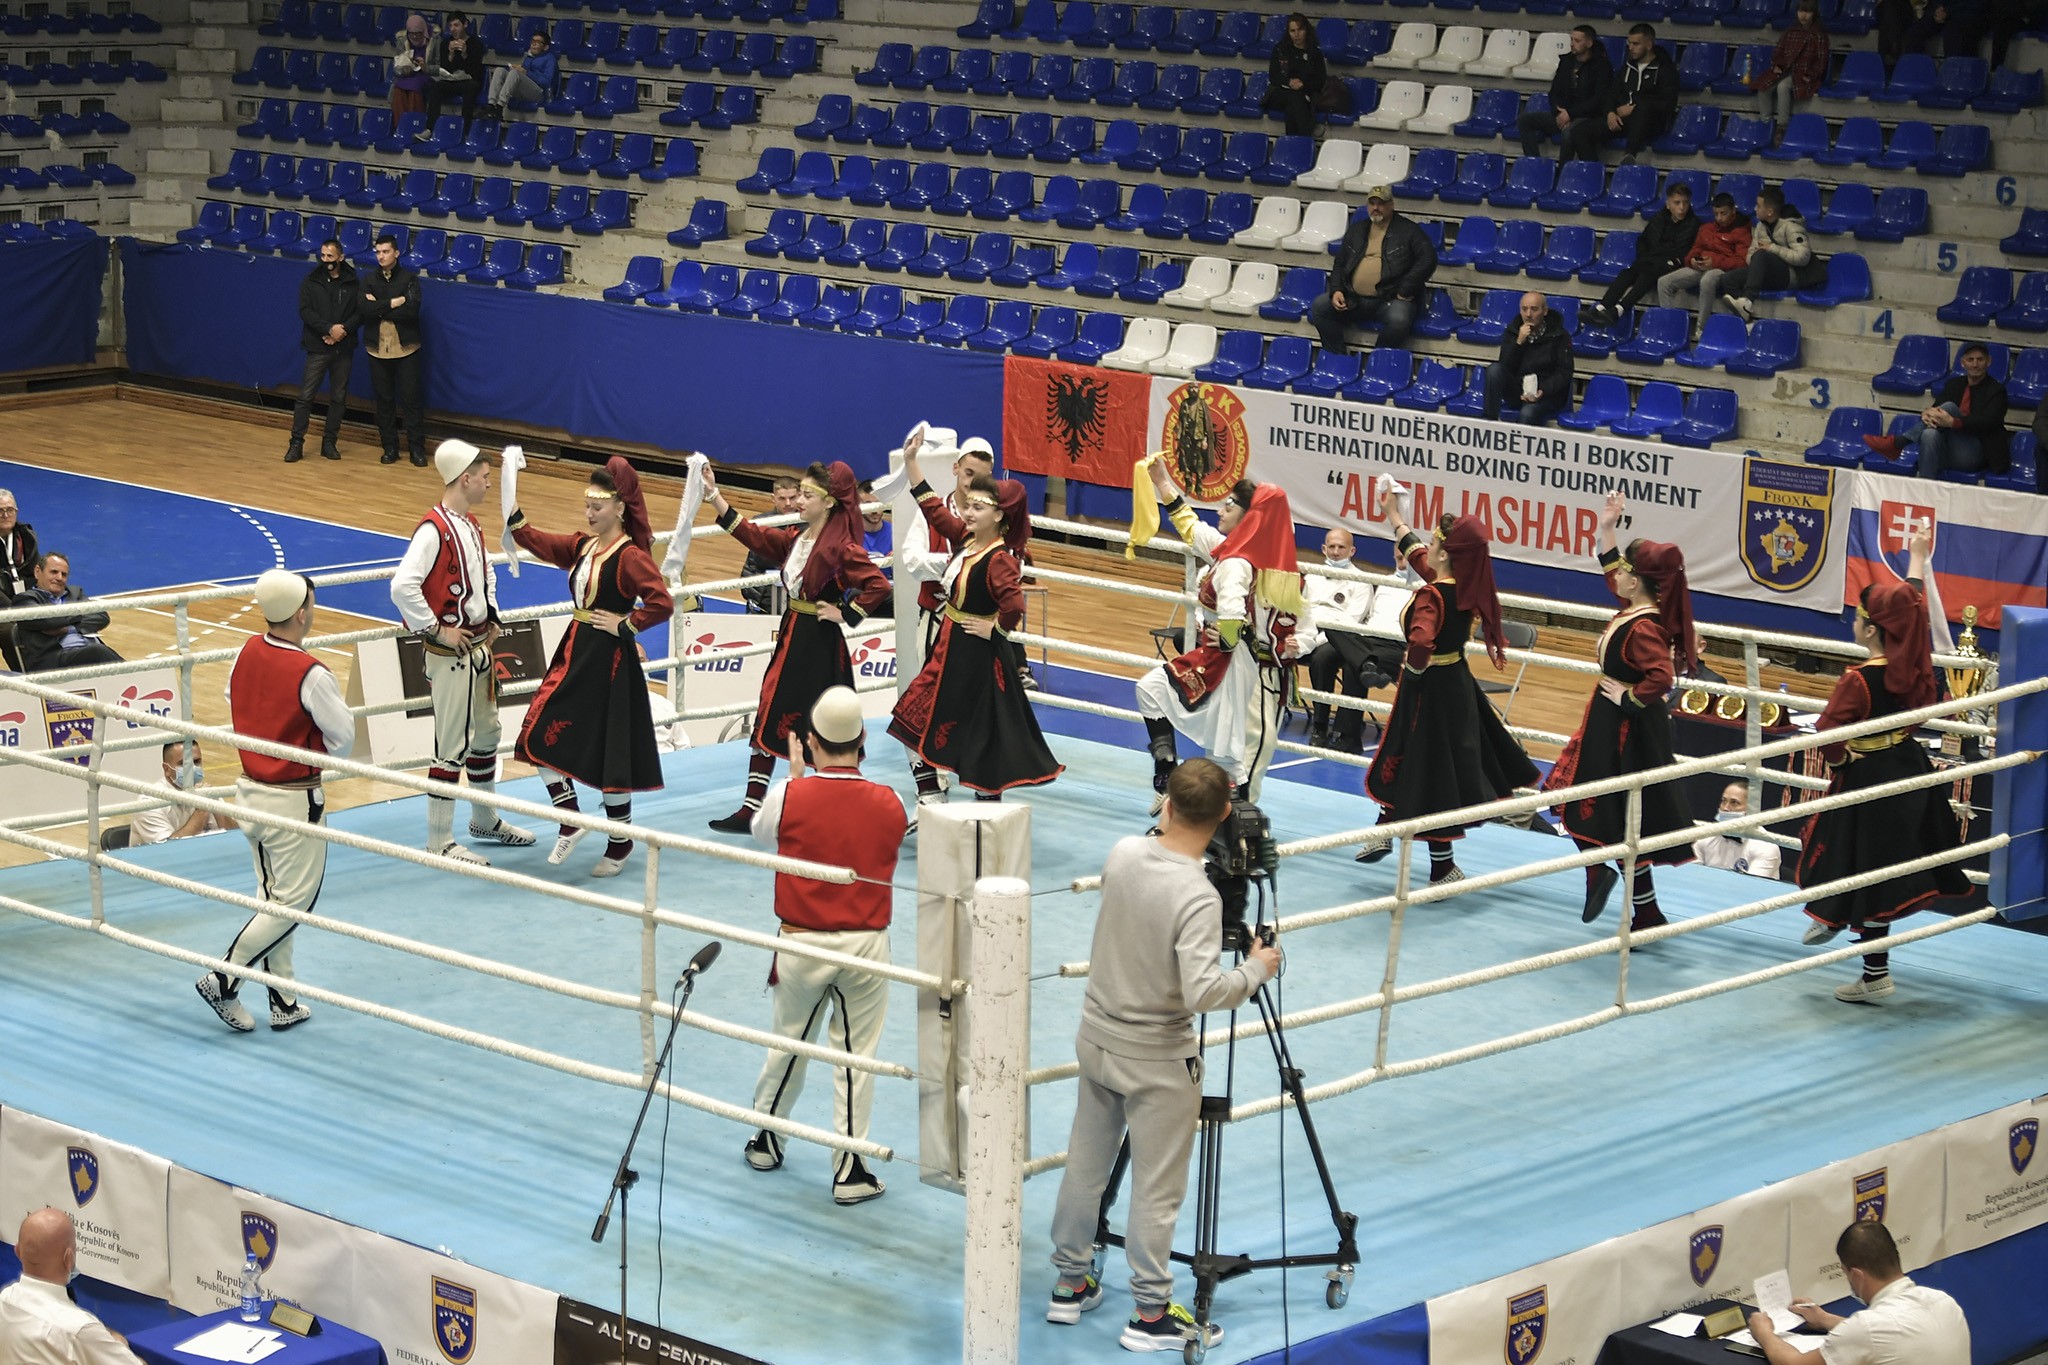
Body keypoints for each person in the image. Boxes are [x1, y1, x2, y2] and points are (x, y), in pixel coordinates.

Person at [1046, 759, 1281, 1354]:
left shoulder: (1124, 852)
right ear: (1227, 815)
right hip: (1157, 1058)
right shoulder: (1199, 896)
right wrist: (1257, 968)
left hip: (1098, 1037)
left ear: (1166, 804)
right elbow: (1206, 992)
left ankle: (1069, 1283)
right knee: (1157, 1187)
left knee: (1085, 1164)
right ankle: (1151, 1314)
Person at [742, 686, 908, 1206]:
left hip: (801, 940)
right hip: (865, 944)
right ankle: (850, 1166)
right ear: (862, 741)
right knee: (857, 1057)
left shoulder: (787, 796)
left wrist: (796, 782)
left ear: (810, 742)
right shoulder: (892, 801)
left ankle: (767, 1138)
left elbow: (763, 833)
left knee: (789, 1041)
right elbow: (890, 834)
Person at [1797, 526, 1970, 1003]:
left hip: (1870, 776)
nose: (1853, 622)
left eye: (1859, 617)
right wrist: (1917, 559)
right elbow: (1910, 610)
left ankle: (1863, 959)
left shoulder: (1859, 679)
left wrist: (1842, 755)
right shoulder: (1915, 669)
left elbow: (1828, 732)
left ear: (1871, 629)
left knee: (1855, 860)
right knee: (1883, 870)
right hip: (1909, 769)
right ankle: (1848, 939)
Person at [195, 569, 352, 1034]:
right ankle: (224, 977)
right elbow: (343, 739)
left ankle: (283, 998)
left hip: (250, 794)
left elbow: (232, 698)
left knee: (272, 897)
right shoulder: (311, 673)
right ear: (302, 613)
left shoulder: (246, 649)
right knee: (293, 905)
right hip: (292, 800)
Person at [1358, 489, 1538, 884]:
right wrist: (1394, 515)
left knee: (1422, 765)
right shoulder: (1462, 585)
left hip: (1429, 692)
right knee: (1423, 764)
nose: (1428, 545)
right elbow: (1421, 558)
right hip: (1455, 684)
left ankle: (1421, 853)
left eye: (1435, 542)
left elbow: (1421, 641)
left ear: (1444, 552)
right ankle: (1392, 835)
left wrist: (1414, 672)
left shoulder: (1432, 594)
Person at [702, 460, 891, 833]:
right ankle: (752, 808)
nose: (799, 501)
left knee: (821, 725)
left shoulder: (842, 548)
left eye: (807, 494)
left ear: (829, 502)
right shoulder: (798, 538)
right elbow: (756, 537)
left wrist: (845, 613)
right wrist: (714, 496)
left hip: (817, 646)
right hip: (794, 636)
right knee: (771, 713)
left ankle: (835, 810)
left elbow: (879, 586)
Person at [507, 459, 672, 877]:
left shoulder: (631, 556)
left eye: (596, 507)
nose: (588, 513)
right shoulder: (585, 547)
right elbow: (543, 543)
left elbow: (661, 602)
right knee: (535, 732)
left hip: (609, 661)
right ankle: (570, 817)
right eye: (586, 506)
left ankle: (620, 840)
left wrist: (627, 624)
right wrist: (515, 515)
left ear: (619, 508)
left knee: (610, 747)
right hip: (576, 653)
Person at [1545, 495, 1697, 928]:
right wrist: (1606, 526)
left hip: (1624, 730)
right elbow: (1612, 566)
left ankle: (1601, 874)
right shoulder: (1638, 607)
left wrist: (1628, 699)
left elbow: (1662, 678)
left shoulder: (1644, 625)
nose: (1618, 576)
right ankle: (1646, 911)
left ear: (1639, 581)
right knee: (1623, 816)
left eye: (1626, 572)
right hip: (1612, 723)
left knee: (1591, 805)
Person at [887, 441, 1061, 799]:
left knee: (982, 731)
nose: (968, 511)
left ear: (998, 516)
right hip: (949, 647)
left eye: (978, 507)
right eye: (968, 505)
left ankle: (984, 805)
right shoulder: (968, 540)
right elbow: (934, 508)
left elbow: (1014, 606)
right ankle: (930, 795)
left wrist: (993, 627)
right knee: (913, 716)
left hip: (973, 657)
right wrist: (910, 463)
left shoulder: (1000, 559)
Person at [390, 439, 535, 866]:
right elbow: (401, 587)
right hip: (451, 654)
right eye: (486, 478)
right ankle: (439, 841)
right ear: (465, 478)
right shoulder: (433, 530)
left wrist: (491, 615)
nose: (490, 485)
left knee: (487, 733)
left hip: (476, 648)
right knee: (450, 744)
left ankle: (484, 818)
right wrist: (436, 629)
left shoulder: (469, 525)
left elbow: (485, 571)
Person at [1135, 465, 1305, 809]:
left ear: (1250, 519)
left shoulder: (1246, 565)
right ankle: (1185, 795)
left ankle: (1237, 821)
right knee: (1227, 753)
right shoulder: (1227, 550)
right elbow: (1191, 527)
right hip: (1228, 660)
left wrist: (1229, 636)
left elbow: (1245, 618)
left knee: (1243, 751)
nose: (1220, 510)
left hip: (1251, 669)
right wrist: (1161, 482)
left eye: (1229, 506)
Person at [1745, 1221, 1969, 1365]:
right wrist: (1824, 1319)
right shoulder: (1945, 1302)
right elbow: (1892, 1333)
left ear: (1857, 1276)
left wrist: (1764, 1333)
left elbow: (1794, 1363)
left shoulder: (1867, 1328)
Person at [0, 1208, 144, 1365]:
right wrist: (116, 1346)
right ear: (69, 1258)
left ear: (18, 1251)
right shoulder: (80, 1330)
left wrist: (103, 1338)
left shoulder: (5, 1299)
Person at [1311, 185, 1437, 354]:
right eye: (1372, 203)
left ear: (1391, 205)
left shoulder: (1409, 231)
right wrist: (1337, 290)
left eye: (1381, 203)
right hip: (1354, 299)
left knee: (1400, 320)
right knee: (1320, 306)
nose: (1376, 208)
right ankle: (1338, 357)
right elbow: (1340, 262)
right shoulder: (1356, 230)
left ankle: (1377, 361)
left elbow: (1428, 258)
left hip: (1389, 299)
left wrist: (1406, 288)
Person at [1862, 342, 2011, 482]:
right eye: (1970, 359)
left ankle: (1899, 442)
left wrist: (1953, 422)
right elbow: (1936, 411)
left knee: (1950, 407)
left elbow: (1987, 423)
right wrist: (1926, 413)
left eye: (1980, 359)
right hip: (1947, 451)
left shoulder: (1997, 391)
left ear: (1988, 362)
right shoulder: (1954, 384)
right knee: (1929, 433)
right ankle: (1925, 490)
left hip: (1975, 454)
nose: (1975, 364)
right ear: (1962, 363)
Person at [1294, 528, 1382, 754]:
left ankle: (1320, 725)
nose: (1335, 552)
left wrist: (1314, 641)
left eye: (1341, 547)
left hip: (1340, 638)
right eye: (1331, 547)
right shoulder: (1311, 575)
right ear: (1323, 548)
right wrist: (1304, 637)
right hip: (1308, 631)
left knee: (1322, 658)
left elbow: (1349, 624)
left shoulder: (1362, 581)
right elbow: (1299, 610)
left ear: (1351, 550)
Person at [1585, 181, 1699, 327]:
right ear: (1668, 204)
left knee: (1647, 274)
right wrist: (1644, 255)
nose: (1682, 207)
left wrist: (1656, 255)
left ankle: (1619, 310)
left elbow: (1681, 251)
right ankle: (1601, 308)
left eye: (1685, 203)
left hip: (1670, 264)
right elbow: (1643, 240)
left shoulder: (1693, 224)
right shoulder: (1659, 219)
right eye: (1677, 203)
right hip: (1649, 259)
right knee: (1627, 273)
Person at [285, 239, 358, 465]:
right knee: (305, 396)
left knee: (338, 397)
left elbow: (360, 312)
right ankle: (296, 443)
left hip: (343, 348)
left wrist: (342, 331)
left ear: (341, 257)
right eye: (323, 256)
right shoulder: (311, 280)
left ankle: (329, 442)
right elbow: (305, 311)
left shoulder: (354, 281)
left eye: (330, 256)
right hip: (318, 346)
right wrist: (328, 329)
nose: (326, 260)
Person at [359, 233, 426, 469]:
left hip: (406, 349)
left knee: (411, 402)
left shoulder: (409, 279)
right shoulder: (368, 280)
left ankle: (417, 449)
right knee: (384, 402)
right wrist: (391, 303)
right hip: (377, 350)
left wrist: (378, 306)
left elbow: (411, 311)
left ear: (396, 253)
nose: (381, 256)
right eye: (377, 252)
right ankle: (390, 448)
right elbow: (363, 310)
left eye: (385, 251)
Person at [1717, 186, 1825, 323]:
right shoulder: (1761, 226)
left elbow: (1803, 257)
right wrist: (1756, 258)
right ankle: (1747, 319)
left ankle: (1747, 300)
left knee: (1762, 254)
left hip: (1794, 274)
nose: (1755, 209)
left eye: (1758, 206)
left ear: (1769, 211)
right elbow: (1750, 255)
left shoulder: (1791, 226)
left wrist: (1772, 249)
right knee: (1728, 279)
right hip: (1769, 272)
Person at [1657, 192, 1752, 333]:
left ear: (1733, 211)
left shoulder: (1742, 232)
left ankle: (1701, 329)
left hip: (1722, 269)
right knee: (1664, 282)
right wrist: (1693, 260)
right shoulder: (1706, 228)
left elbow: (1741, 262)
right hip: (1700, 266)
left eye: (1723, 213)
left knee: (1707, 280)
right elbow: (1693, 251)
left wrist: (1716, 262)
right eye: (1716, 214)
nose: (1719, 218)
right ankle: (1668, 328)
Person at [14, 553, 122, 674]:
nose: (59, 578)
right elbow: (47, 621)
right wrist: (79, 613)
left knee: (99, 653)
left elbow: (102, 616)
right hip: (54, 661)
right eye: (54, 572)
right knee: (98, 652)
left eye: (64, 574)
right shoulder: (24, 600)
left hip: (86, 653)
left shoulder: (76, 593)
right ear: (38, 571)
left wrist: (69, 628)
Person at [1518, 25, 1613, 162]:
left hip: (1587, 116)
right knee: (1525, 120)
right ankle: (1534, 163)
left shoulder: (1602, 66)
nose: (1572, 44)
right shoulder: (1566, 61)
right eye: (1571, 40)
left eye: (1577, 41)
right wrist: (1559, 111)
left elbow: (1598, 100)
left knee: (1569, 133)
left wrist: (1571, 113)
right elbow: (1554, 91)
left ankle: (1563, 172)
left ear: (1589, 43)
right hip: (1564, 113)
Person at [1483, 291, 1573, 427]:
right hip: (1519, 390)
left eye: (1534, 309)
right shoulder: (1513, 331)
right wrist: (1519, 343)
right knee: (1494, 370)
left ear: (1545, 311)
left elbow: (1564, 373)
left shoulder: (1559, 335)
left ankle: (1519, 446)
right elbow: (1505, 367)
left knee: (1527, 413)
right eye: (1524, 309)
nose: (1528, 314)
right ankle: (1488, 426)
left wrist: (1542, 390)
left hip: (1546, 393)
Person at [1749, 0, 1829, 144]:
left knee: (1783, 86)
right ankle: (1765, 123)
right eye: (1801, 11)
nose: (1803, 15)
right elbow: (1778, 52)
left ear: (1814, 14)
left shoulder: (1819, 35)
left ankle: (1782, 127)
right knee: (1763, 87)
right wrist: (1776, 65)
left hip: (1802, 75)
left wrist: (1810, 75)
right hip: (1785, 70)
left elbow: (1821, 62)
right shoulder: (1790, 32)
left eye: (1808, 11)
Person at [130, 740, 238, 846]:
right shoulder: (149, 803)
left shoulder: (204, 792)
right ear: (167, 769)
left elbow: (237, 836)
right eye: (183, 764)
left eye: (196, 762)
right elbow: (169, 849)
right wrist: (202, 810)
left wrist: (217, 808)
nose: (192, 769)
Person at [1600, 25, 1679, 164]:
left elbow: (1668, 103)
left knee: (1643, 106)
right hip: (1623, 120)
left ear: (1649, 45)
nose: (1631, 48)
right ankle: (1590, 171)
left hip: (1651, 122)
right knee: (1580, 132)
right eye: (1629, 43)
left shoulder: (1665, 70)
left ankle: (1629, 154)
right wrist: (1610, 113)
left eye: (1635, 44)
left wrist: (1635, 108)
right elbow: (1611, 94)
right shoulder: (1627, 67)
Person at [1691, 780, 1783, 878]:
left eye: (1734, 803)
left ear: (1750, 810)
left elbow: (1752, 888)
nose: (1726, 808)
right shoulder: (1705, 836)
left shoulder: (1765, 846)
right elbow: (1691, 876)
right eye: (1723, 801)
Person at [742, 475, 803, 615]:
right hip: (765, 588)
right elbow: (757, 562)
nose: (788, 503)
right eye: (782, 498)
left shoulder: (811, 523)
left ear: (800, 496)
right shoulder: (760, 523)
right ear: (773, 498)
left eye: (792, 498)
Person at [1262, 14, 1329, 138]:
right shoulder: (1280, 50)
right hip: (1280, 93)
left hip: (1304, 93)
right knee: (1296, 98)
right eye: (1293, 31)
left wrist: (1303, 84)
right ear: (1288, 33)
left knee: (1293, 105)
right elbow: (1274, 76)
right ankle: (1308, 134)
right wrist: (1289, 82)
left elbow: (1320, 79)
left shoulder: (1315, 53)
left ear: (1306, 31)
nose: (1297, 35)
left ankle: (1293, 143)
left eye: (1300, 30)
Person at [424, 11, 485, 137]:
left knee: (471, 87)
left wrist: (465, 54)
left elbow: (476, 71)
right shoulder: (446, 43)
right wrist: (450, 55)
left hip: (468, 81)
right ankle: (430, 128)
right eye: (450, 26)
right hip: (451, 80)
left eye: (456, 25)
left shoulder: (475, 43)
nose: (453, 29)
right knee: (435, 86)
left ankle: (465, 131)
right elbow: (445, 69)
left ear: (465, 24)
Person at [484, 29, 556, 120]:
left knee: (515, 73)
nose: (533, 44)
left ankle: (500, 106)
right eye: (533, 41)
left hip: (539, 93)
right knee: (499, 70)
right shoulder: (529, 57)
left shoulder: (550, 59)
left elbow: (547, 82)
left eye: (538, 42)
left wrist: (526, 73)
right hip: (524, 90)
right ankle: (491, 105)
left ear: (545, 47)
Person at [0, 488, 34, 670]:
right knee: (9, 631)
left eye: (10, 510)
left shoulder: (26, 537)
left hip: (22, 599)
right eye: (0, 510)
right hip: (4, 607)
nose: (6, 515)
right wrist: (16, 610)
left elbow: (35, 574)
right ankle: (25, 676)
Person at [390, 13, 433, 120]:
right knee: (398, 87)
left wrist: (425, 66)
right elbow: (397, 64)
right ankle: (399, 123)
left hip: (426, 74)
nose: (414, 36)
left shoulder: (434, 41)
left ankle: (415, 121)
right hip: (407, 74)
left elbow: (438, 65)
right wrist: (406, 66)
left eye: (417, 33)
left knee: (415, 87)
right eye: (411, 34)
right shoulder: (403, 41)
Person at [857, 478, 892, 574]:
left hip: (894, 587)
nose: (875, 510)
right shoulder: (848, 535)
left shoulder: (896, 533)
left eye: (877, 503)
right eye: (868, 504)